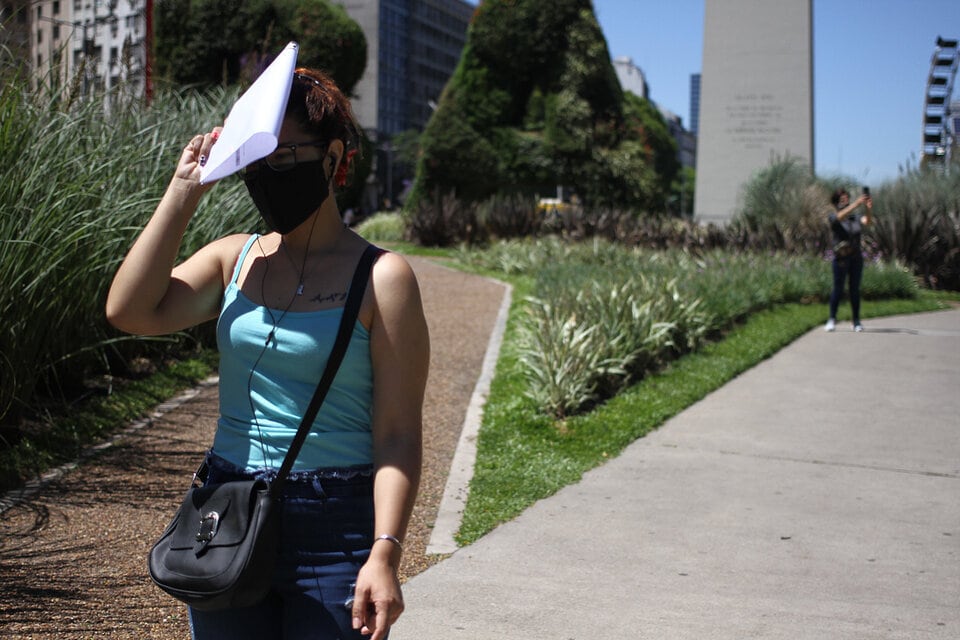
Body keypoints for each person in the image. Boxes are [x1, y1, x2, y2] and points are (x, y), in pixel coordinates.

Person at [106, 68, 429, 640]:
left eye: (281, 157)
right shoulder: (235, 258)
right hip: (226, 510)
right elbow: (130, 311)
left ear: (331, 157)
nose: (266, 176)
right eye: (253, 161)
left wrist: (386, 553)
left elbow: (399, 435)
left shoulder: (383, 278)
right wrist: (184, 192)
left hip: (338, 529)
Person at [825, 187, 873, 332]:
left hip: (856, 258)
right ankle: (832, 319)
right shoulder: (833, 216)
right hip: (841, 258)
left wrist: (868, 209)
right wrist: (856, 205)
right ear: (836, 202)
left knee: (854, 290)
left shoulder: (855, 217)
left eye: (846, 198)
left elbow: (868, 222)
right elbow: (839, 218)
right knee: (838, 289)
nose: (845, 201)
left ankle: (856, 321)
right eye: (842, 199)